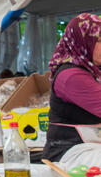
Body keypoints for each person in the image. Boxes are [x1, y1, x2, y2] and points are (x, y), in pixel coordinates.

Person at [42, 13, 101, 168]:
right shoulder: (70, 76)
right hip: (69, 152)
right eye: (99, 40)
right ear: (83, 42)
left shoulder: (94, 71)